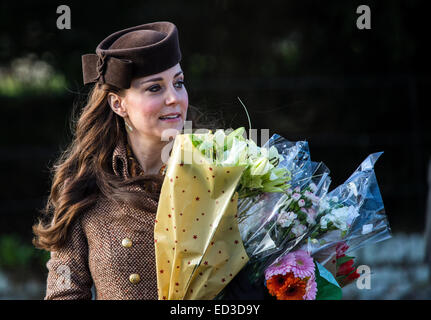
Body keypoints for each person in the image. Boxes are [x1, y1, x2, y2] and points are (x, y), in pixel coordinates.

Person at [32, 21, 195, 300]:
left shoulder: (218, 169)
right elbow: (64, 293)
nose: (174, 98)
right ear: (118, 104)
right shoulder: (85, 185)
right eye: (155, 88)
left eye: (178, 83)